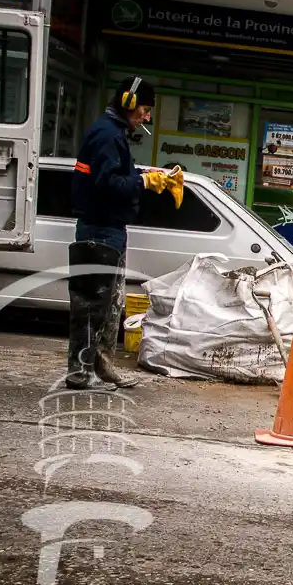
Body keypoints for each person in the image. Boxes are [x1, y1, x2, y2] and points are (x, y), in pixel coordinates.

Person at [67, 77, 183, 391]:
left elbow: (116, 177)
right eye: (145, 110)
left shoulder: (112, 134)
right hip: (100, 230)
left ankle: (102, 367)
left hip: (109, 230)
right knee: (93, 306)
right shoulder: (107, 136)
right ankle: (80, 374)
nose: (147, 117)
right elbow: (108, 186)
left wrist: (147, 175)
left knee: (110, 307)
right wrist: (145, 183)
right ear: (129, 103)